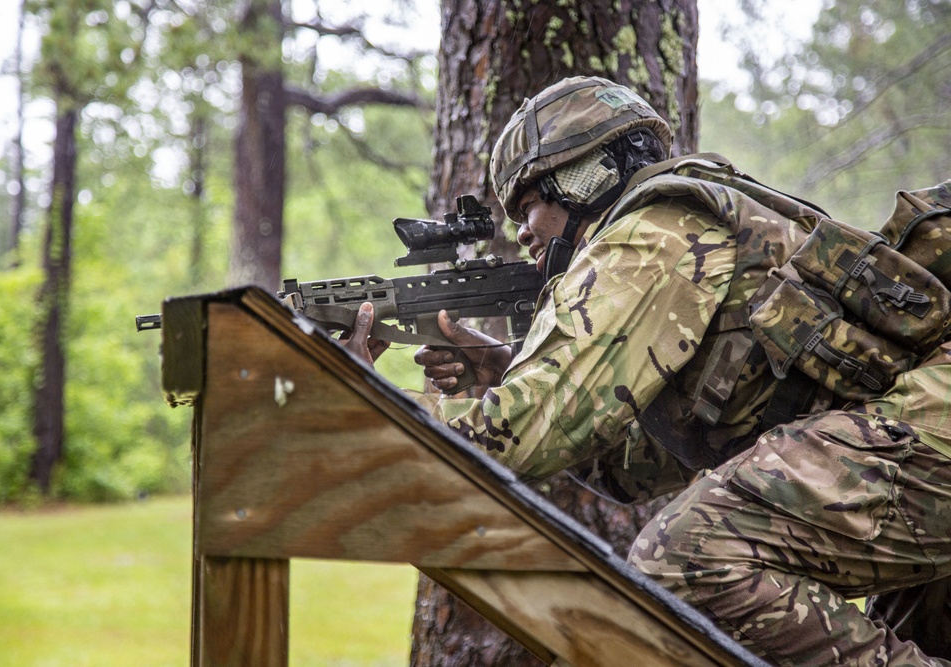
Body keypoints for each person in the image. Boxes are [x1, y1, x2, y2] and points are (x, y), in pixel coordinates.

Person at [342, 75, 951, 665]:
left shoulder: (651, 233)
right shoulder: (684, 229)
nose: (522, 232)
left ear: (580, 178)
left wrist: (362, 398)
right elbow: (633, 469)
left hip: (924, 436)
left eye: (529, 204)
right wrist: (504, 375)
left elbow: (515, 442)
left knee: (686, 555)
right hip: (916, 439)